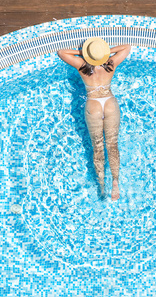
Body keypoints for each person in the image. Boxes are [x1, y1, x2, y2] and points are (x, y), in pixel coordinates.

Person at [58, 38, 131, 201]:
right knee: (112, 144)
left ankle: (101, 186)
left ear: (88, 55)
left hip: (94, 105)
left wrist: (81, 53)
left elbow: (61, 52)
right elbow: (127, 47)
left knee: (97, 146)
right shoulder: (110, 63)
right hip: (109, 102)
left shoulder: (82, 66)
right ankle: (115, 181)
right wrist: (106, 53)